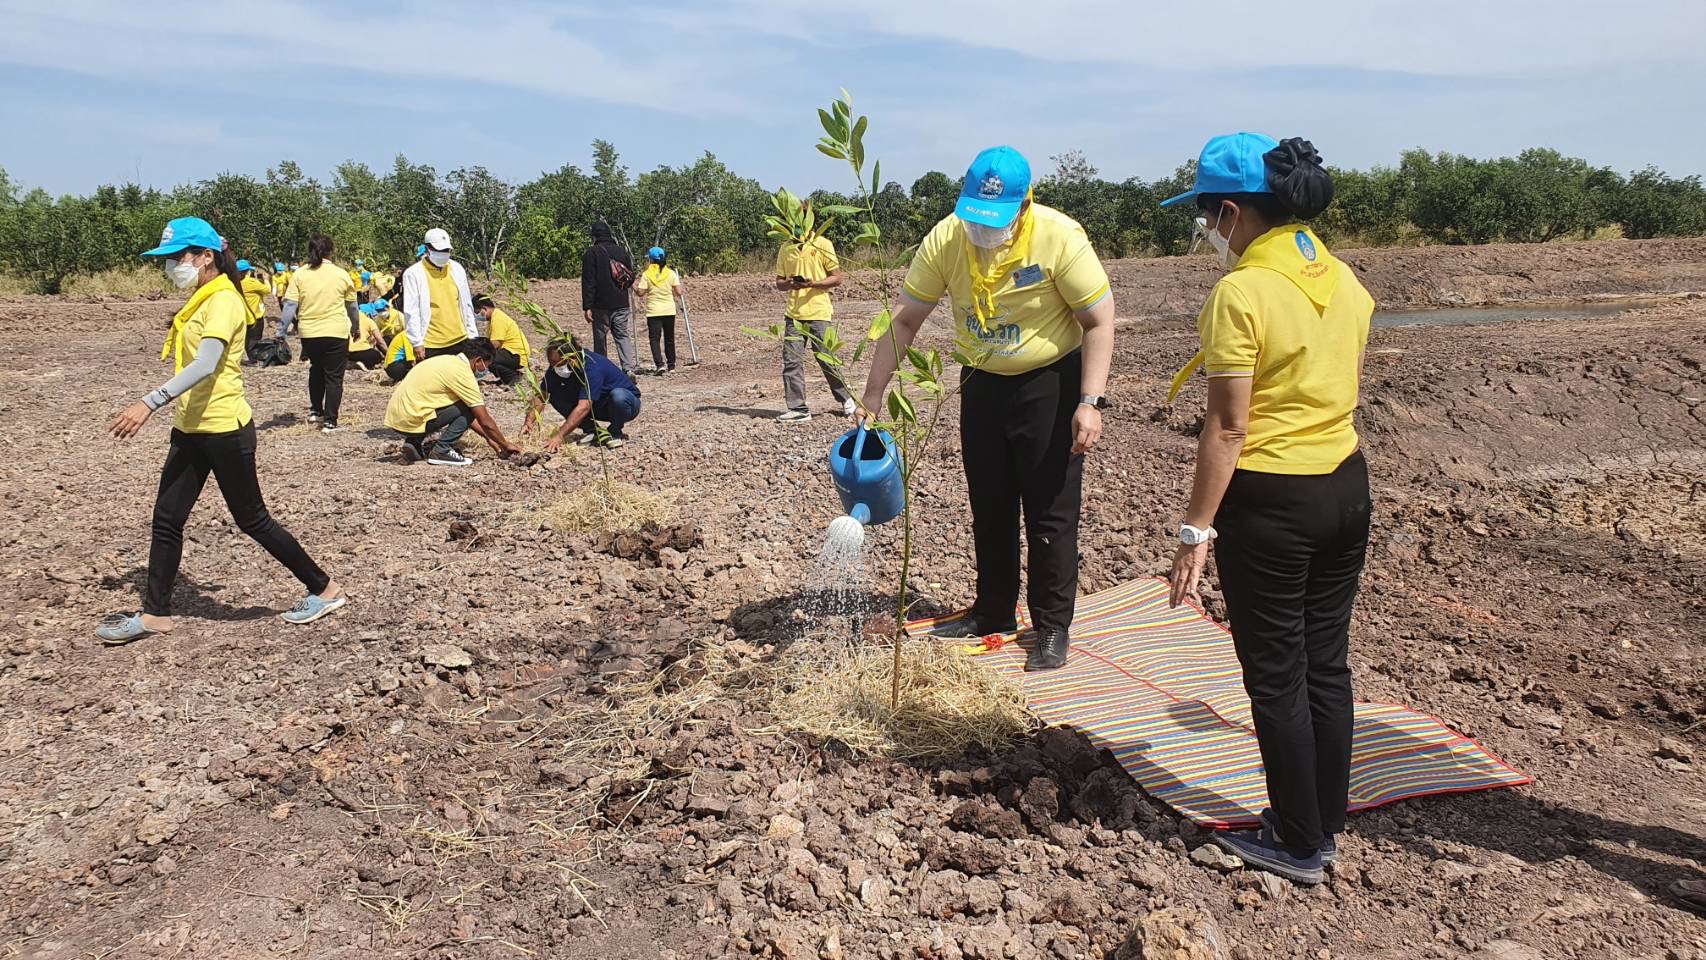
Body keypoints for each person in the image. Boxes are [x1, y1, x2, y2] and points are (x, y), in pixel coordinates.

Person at [1160, 134, 1373, 886]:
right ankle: (1324, 818)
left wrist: (1195, 530)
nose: (1207, 230)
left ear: (1231, 211)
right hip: (1346, 488)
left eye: (1207, 216)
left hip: (1273, 503)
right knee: (1326, 662)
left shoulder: (1242, 294)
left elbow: (1228, 428)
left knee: (1277, 674)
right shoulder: (1343, 278)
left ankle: (1297, 842)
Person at [859, 145, 1115, 672]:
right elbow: (904, 319)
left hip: (1050, 383)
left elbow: (1098, 319)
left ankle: (1051, 625)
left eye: (994, 220)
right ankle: (993, 611)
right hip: (981, 383)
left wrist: (1090, 401)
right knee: (990, 505)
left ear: (1024, 206)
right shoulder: (947, 238)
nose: (982, 230)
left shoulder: (1059, 237)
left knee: (1049, 511)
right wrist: (873, 393)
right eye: (975, 216)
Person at [96, 216, 344, 645]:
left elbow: (206, 363)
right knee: (167, 519)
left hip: (224, 428)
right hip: (191, 426)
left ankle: (324, 589)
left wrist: (148, 402)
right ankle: (155, 614)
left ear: (206, 256)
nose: (171, 266)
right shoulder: (201, 296)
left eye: (178, 257)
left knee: (252, 519)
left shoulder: (225, 299)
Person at [383, 339, 521, 466]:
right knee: (469, 406)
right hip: (411, 418)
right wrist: (505, 444)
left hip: (397, 418)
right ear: (478, 360)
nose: (485, 370)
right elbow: (483, 419)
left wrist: (489, 438)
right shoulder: (462, 372)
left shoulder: (445, 360)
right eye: (486, 365)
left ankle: (414, 442)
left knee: (444, 403)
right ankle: (442, 450)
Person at [280, 234, 359, 432]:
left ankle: (316, 411)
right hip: (336, 331)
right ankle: (330, 421)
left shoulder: (300, 274)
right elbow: (352, 307)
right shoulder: (341, 274)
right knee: (334, 377)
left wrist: (281, 331)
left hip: (309, 333)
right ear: (331, 251)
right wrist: (355, 326)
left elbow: (290, 305)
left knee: (316, 369)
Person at [775, 219, 852, 422]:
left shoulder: (822, 244)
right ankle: (798, 409)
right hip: (794, 315)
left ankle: (846, 400)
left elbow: (837, 278)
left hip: (819, 312)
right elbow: (779, 283)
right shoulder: (785, 248)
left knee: (826, 359)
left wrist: (813, 284)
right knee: (792, 361)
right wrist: (789, 283)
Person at [527, 336, 641, 452]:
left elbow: (584, 407)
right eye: (551, 363)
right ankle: (593, 430)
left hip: (624, 406)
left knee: (618, 396)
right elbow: (542, 395)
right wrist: (529, 422)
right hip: (595, 405)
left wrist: (559, 436)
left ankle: (614, 431)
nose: (554, 367)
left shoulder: (592, 366)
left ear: (571, 358)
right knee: (555, 395)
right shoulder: (556, 367)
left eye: (557, 363)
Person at [401, 228, 478, 359]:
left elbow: (466, 304)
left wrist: (472, 334)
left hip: (461, 339)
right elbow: (411, 311)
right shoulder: (413, 274)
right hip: (432, 343)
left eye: (446, 250)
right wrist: (417, 342)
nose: (443, 253)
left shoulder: (457, 269)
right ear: (427, 249)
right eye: (439, 250)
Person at [580, 221, 636, 375]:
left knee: (600, 338)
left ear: (594, 236)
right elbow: (629, 276)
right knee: (622, 335)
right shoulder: (621, 251)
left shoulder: (591, 253)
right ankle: (628, 368)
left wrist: (587, 306)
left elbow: (589, 281)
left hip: (601, 304)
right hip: (621, 302)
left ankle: (601, 368)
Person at [634, 246, 683, 374]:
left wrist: (633, 286)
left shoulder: (647, 274)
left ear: (651, 259)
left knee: (654, 339)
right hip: (669, 310)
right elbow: (679, 292)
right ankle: (671, 366)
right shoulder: (671, 273)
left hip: (654, 311)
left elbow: (640, 293)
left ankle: (660, 364)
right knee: (669, 338)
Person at [473, 294, 530, 384]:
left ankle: (512, 376)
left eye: (477, 312)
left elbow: (495, 344)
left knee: (487, 357)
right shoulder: (494, 318)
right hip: (510, 353)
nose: (477, 315)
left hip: (515, 354)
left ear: (484, 308)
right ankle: (506, 377)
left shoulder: (498, 319)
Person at [236, 259, 270, 353]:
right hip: (255, 316)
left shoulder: (234, 282)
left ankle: (251, 356)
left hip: (243, 315)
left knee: (246, 339)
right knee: (255, 340)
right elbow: (267, 290)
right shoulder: (251, 282)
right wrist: (266, 280)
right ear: (246, 271)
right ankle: (254, 358)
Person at [348, 303, 387, 369]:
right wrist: (388, 354)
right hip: (363, 351)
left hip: (347, 353)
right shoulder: (369, 321)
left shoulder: (348, 318)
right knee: (377, 356)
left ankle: (352, 363)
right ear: (367, 313)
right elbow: (380, 341)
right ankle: (363, 364)